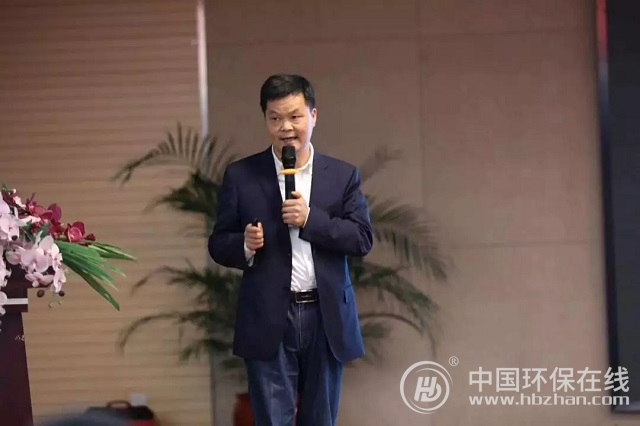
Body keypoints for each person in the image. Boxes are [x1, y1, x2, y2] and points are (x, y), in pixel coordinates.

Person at [208, 74, 374, 425]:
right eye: (275, 118)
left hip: (325, 316)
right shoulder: (241, 175)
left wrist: (311, 219)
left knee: (320, 419)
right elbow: (218, 243)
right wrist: (244, 244)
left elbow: (362, 238)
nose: (285, 127)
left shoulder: (342, 176)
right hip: (268, 315)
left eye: (295, 116)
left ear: (313, 116)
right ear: (265, 120)